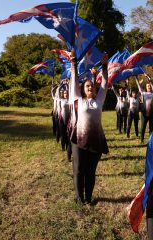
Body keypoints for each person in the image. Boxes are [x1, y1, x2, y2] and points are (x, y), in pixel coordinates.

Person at [69, 51, 109, 204]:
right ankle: (80, 199)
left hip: (96, 141)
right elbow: (73, 82)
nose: (90, 87)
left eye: (92, 85)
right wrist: (73, 63)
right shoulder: (78, 100)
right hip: (78, 140)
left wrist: (105, 66)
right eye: (87, 86)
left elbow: (104, 85)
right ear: (83, 89)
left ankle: (88, 197)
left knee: (91, 172)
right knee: (79, 170)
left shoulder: (99, 100)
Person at [136, 76, 153, 143]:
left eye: (150, 86)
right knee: (143, 127)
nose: (149, 87)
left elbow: (151, 84)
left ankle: (150, 140)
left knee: (151, 128)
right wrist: (136, 78)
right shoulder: (143, 93)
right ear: (146, 87)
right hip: (144, 114)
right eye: (148, 86)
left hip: (152, 114)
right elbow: (139, 86)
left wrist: (149, 79)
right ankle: (141, 140)